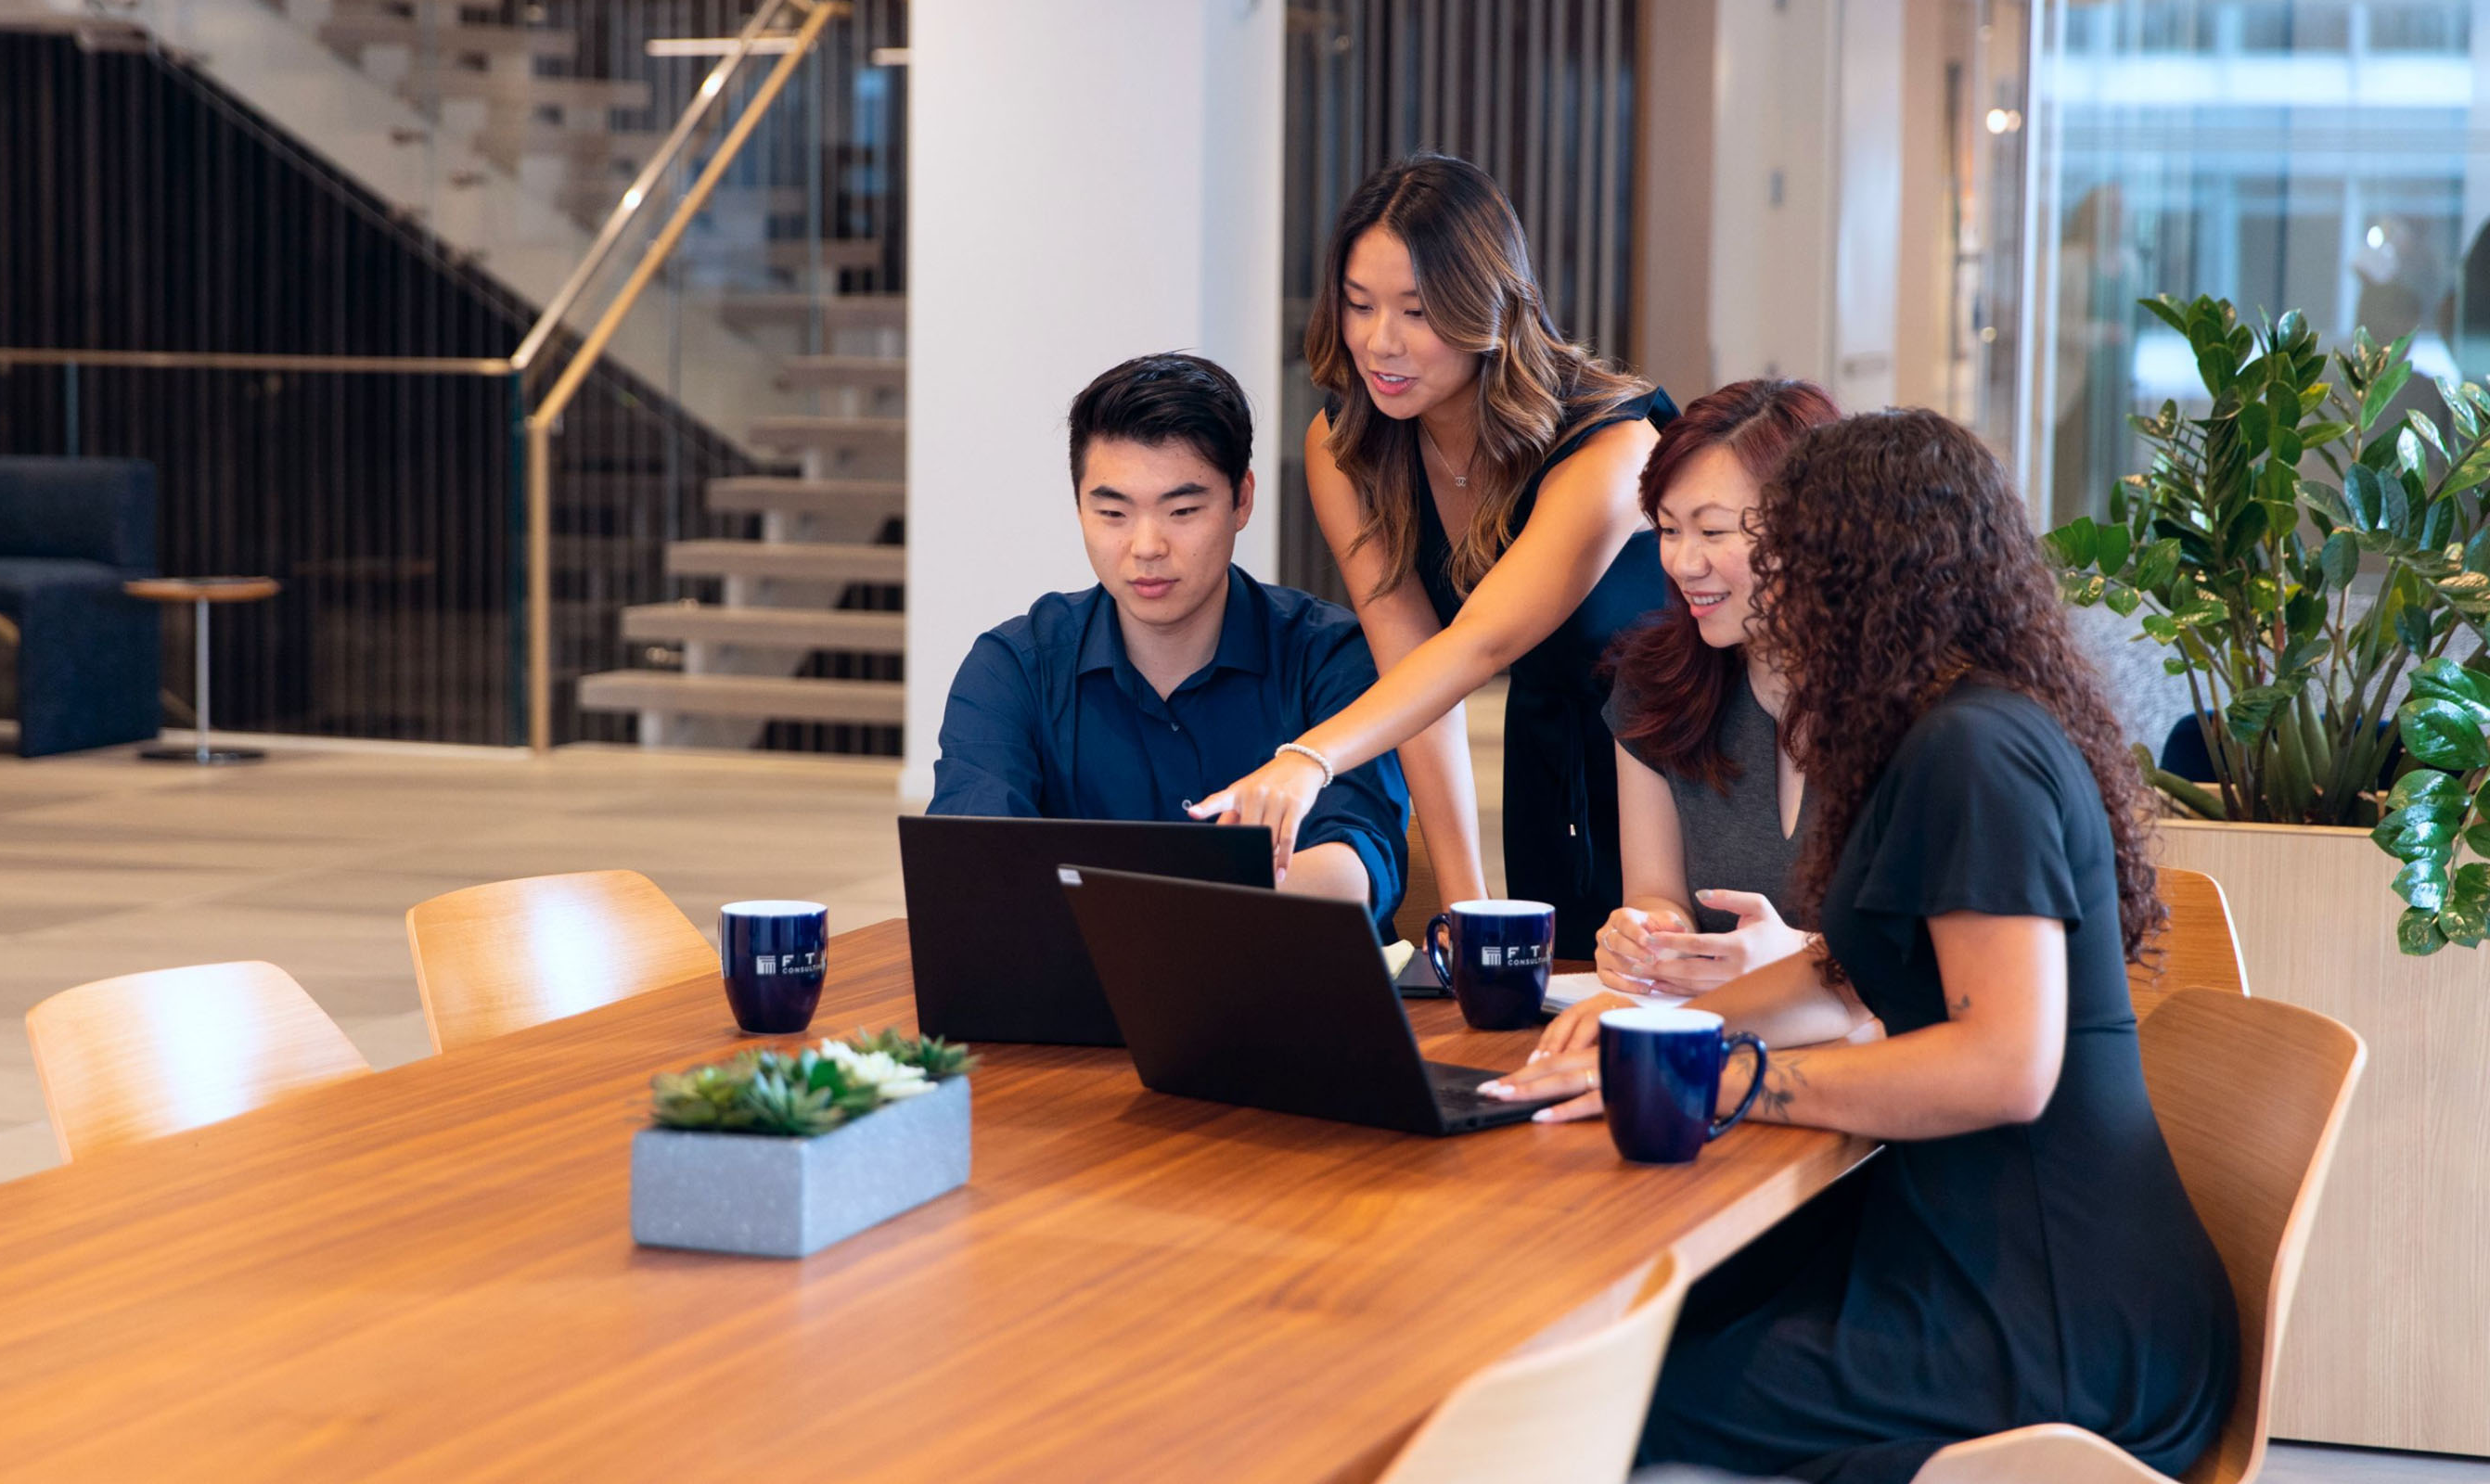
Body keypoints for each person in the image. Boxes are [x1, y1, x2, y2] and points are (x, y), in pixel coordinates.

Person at [1483, 409, 2238, 1483]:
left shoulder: (1975, 752)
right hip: (1971, 1247)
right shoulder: (1936, 728)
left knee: (1616, 1405)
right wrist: (1657, 1032)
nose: (1762, 581)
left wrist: (1722, 1081)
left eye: (1786, 553)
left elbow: (2006, 1065)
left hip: (2059, 1319)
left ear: (1862, 573)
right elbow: (1849, 965)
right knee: (1651, 1330)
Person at [1187, 154, 1673, 958]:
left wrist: (1310, 757)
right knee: (1539, 992)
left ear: (1489, 306)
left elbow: (1478, 645)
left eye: (1418, 311)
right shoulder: (1347, 447)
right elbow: (1416, 670)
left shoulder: (1610, 446)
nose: (1381, 342)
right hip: (1549, 755)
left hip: (1675, 751)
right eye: (1359, 305)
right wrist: (1461, 908)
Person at [931, 352, 1408, 922]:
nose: (1147, 548)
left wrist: (1122, 901)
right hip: (1080, 981)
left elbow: (1355, 873)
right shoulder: (1013, 668)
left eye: (1182, 510)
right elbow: (972, 869)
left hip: (1283, 977)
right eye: (1113, 514)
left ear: (1242, 500)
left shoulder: (1329, 657)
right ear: (1079, 507)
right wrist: (1208, 890)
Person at [1589, 379, 1842, 998]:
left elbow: (1946, 955)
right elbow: (1657, 894)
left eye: (1714, 531)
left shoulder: (1920, 705)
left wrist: (1799, 958)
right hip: (1712, 1030)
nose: (1683, 563)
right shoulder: (1656, 684)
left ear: (1812, 531)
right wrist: (1650, 933)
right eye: (1669, 530)